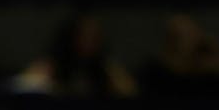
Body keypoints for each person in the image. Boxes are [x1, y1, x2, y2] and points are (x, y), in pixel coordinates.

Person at [10, 11, 138, 98]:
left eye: (95, 37)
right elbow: (21, 86)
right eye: (84, 35)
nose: (89, 42)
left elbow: (130, 92)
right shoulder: (54, 62)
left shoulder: (105, 65)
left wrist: (111, 69)